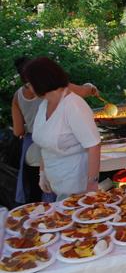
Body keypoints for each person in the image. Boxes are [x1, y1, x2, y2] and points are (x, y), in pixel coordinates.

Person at [11, 56, 99, 203]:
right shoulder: (44, 105)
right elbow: (43, 143)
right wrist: (42, 172)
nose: (28, 89)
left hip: (77, 185)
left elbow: (94, 146)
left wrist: (92, 185)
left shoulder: (73, 105)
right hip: (58, 184)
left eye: (29, 84)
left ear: (41, 82)